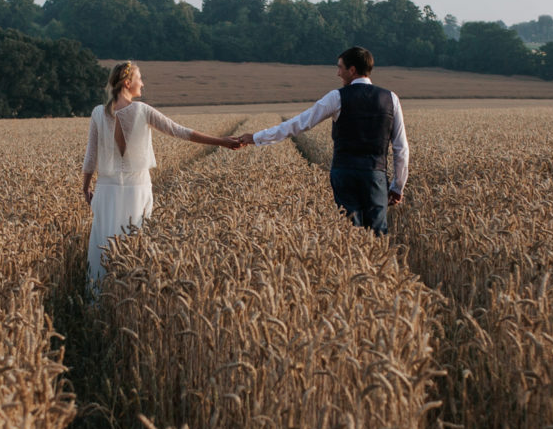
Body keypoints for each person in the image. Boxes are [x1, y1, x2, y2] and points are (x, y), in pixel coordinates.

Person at [83, 61, 243, 284]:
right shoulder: (142, 110)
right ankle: (127, 292)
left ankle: (97, 300)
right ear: (128, 83)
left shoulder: (98, 113)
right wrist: (221, 141)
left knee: (103, 247)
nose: (143, 83)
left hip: (105, 191)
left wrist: (86, 188)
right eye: (140, 78)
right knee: (133, 246)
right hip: (136, 190)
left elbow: (91, 156)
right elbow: (180, 131)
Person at [237, 46, 408, 233]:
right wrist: (398, 186)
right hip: (375, 175)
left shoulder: (337, 97)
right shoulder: (391, 98)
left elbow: (299, 123)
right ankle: (377, 261)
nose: (338, 73)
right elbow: (401, 148)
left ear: (352, 70)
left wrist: (256, 137)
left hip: (344, 173)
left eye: (340, 68)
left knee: (351, 232)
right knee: (377, 232)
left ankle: (352, 261)